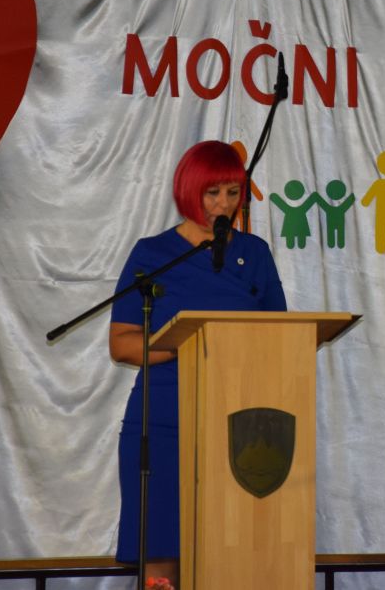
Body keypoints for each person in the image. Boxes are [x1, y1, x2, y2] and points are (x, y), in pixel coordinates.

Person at [108, 140, 287, 588]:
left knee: (235, 555)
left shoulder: (256, 254)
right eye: (212, 193)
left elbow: (281, 338)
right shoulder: (152, 253)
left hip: (242, 425)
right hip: (163, 421)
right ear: (189, 190)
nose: (223, 204)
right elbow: (122, 344)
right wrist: (188, 344)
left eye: (232, 192)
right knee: (162, 557)